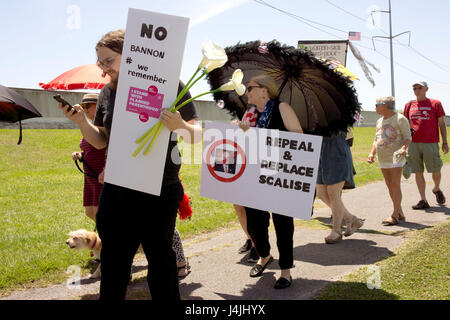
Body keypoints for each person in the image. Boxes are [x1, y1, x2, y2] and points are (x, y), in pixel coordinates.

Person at [58, 29, 201, 300]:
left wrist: (179, 125)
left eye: (108, 61)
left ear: (132, 55)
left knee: (160, 259)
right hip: (117, 189)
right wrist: (81, 122)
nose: (102, 68)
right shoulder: (106, 93)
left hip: (159, 189)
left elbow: (194, 135)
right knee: (113, 263)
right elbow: (101, 141)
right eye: (100, 62)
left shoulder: (170, 84)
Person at [238, 74, 303, 289]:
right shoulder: (249, 113)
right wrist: (241, 131)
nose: (246, 91)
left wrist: (262, 137)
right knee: (255, 221)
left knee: (283, 222)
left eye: (250, 88)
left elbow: (299, 139)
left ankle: (285, 271)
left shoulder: (283, 108)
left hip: (279, 175)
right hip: (254, 174)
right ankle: (264, 256)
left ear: (264, 91)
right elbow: (244, 144)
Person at [315, 119, 364, 244]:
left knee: (333, 192)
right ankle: (351, 219)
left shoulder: (335, 107)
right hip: (319, 149)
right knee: (320, 193)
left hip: (335, 147)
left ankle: (336, 231)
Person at [404, 81, 448, 209]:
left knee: (436, 169)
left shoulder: (436, 103)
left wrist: (445, 142)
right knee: (418, 171)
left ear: (426, 89)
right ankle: (423, 200)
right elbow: (405, 124)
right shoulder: (409, 105)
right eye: (415, 88)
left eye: (419, 88)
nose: (416, 90)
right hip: (413, 144)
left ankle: (436, 188)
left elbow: (441, 124)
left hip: (431, 142)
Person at [368, 97, 411, 225]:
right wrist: (372, 153)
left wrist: (403, 148)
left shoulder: (400, 119)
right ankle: (400, 212)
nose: (375, 107)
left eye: (377, 105)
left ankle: (394, 215)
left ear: (385, 105)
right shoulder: (379, 121)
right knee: (389, 184)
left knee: (395, 184)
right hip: (383, 157)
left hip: (396, 157)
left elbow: (408, 137)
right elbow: (376, 139)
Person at [71, 93, 106, 223]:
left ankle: (111, 240)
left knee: (100, 214)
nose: (84, 109)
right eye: (83, 106)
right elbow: (90, 149)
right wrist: (80, 155)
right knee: (90, 212)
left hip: (101, 176)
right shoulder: (88, 126)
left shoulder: (105, 125)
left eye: (88, 106)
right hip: (90, 177)